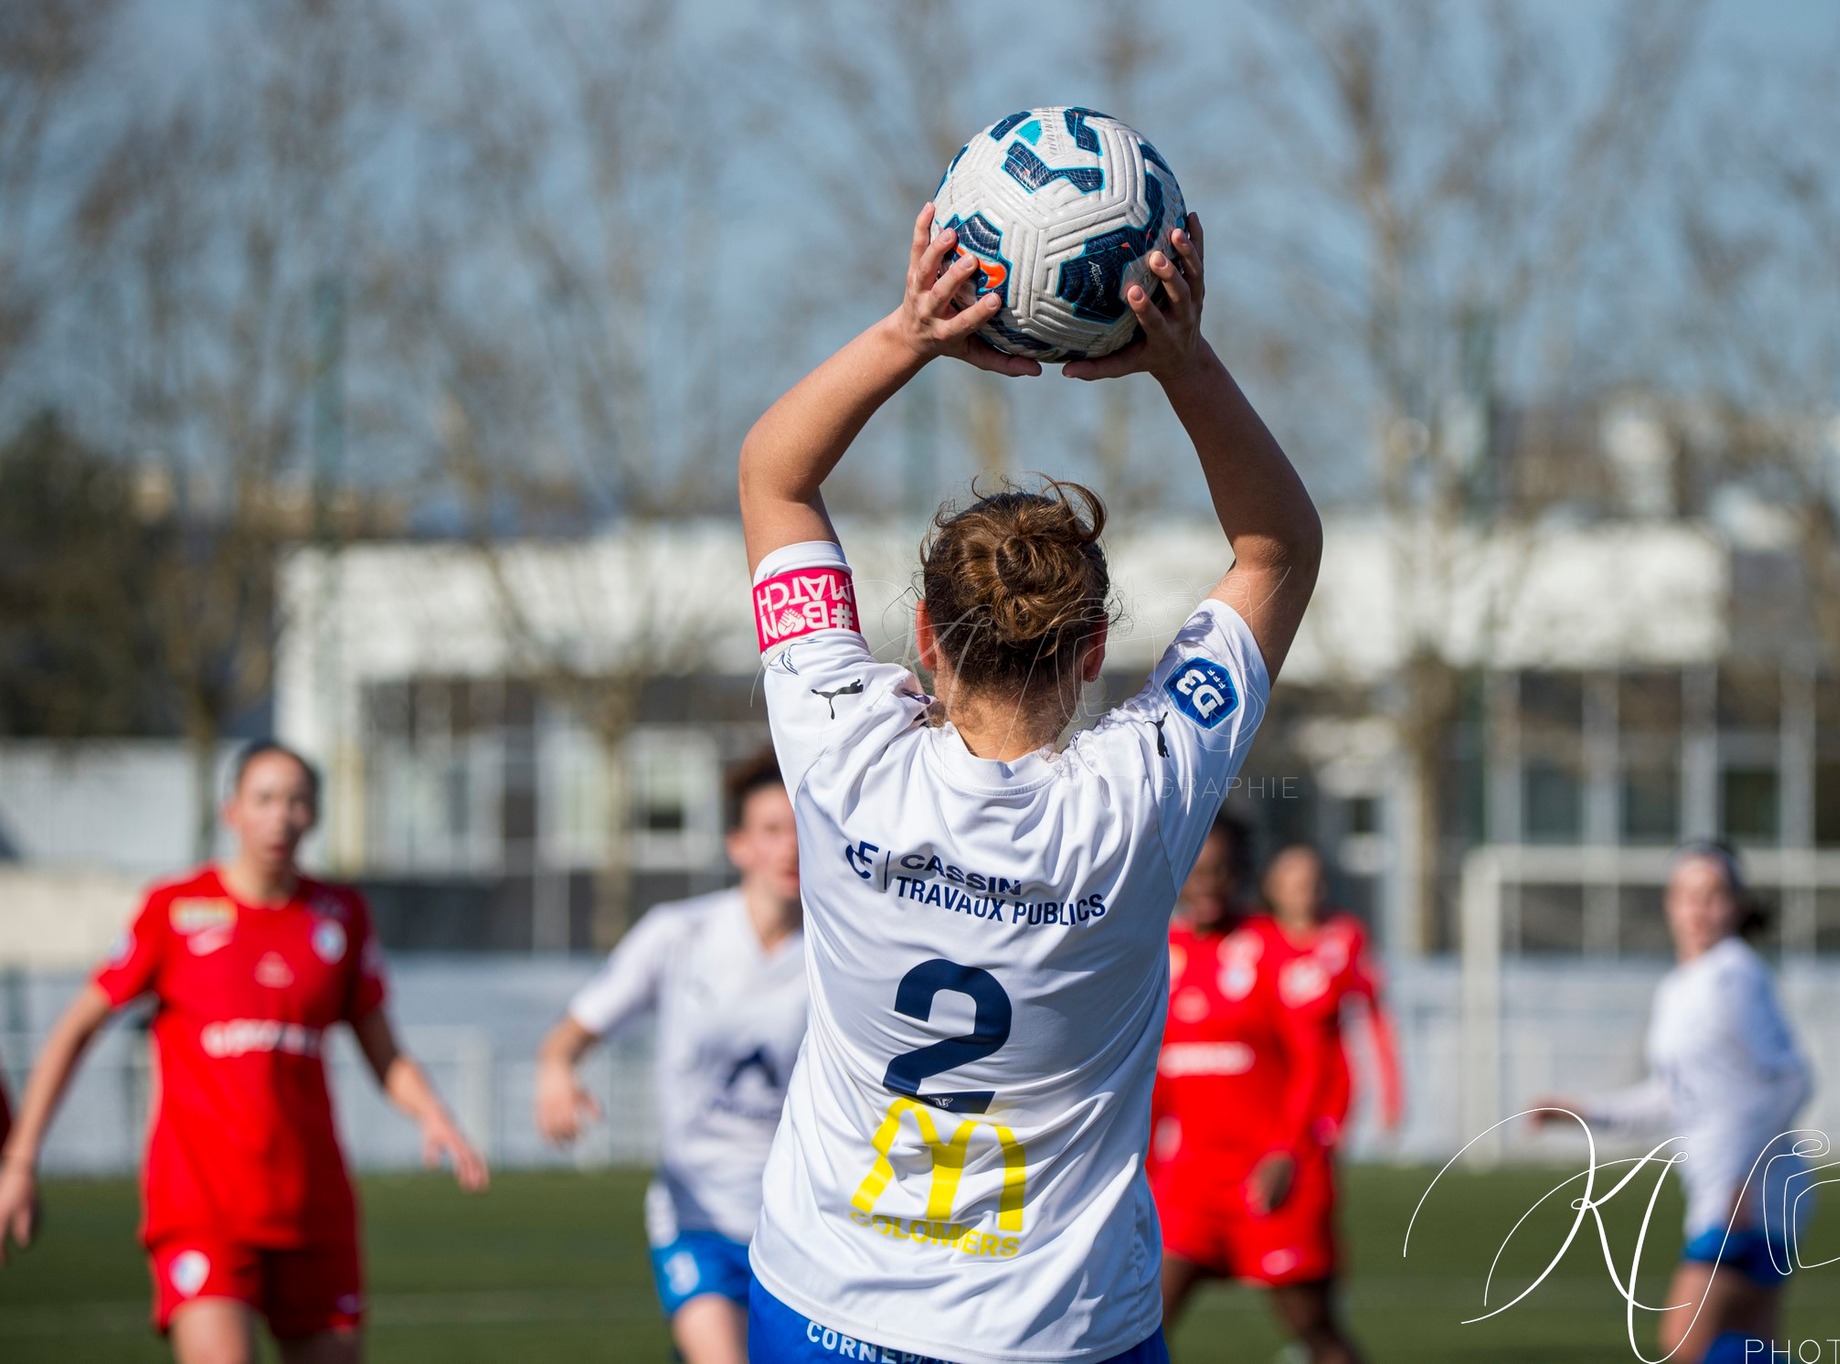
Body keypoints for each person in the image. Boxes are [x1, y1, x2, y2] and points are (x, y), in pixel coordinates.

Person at [736, 202, 1320, 1363]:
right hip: (1061, 1330)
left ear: (922, 634)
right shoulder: (1140, 793)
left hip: (823, 1308)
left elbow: (775, 478)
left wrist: (911, 330)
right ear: (1096, 648)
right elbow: (1276, 550)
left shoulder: (838, 745)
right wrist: (1181, 360)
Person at [0, 741, 488, 1364]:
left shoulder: (339, 917)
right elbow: (74, 1029)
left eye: (297, 801)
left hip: (315, 1210)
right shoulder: (172, 911)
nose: (280, 816)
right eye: (264, 799)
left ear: (314, 815)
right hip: (201, 1210)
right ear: (232, 811)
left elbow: (385, 1053)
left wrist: (432, 1112)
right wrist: (19, 1160)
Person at [532, 749, 805, 1364]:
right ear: (738, 845)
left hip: (800, 1225)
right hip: (696, 1215)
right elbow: (574, 1031)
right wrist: (556, 1071)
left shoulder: (838, 949)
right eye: (770, 831)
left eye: (799, 828)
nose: (789, 847)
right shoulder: (677, 934)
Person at [1530, 840, 1813, 1364]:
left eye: (1713, 895)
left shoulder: (1735, 976)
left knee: (1684, 1344)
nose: (1698, 909)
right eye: (1686, 895)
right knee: (1747, 1347)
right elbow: (1674, 1095)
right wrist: (1585, 1111)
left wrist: (1742, 1180)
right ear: (1668, 904)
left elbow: (1791, 1081)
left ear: (1738, 905)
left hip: (1750, 1196)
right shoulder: (1681, 987)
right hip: (1734, 1190)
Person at [1150, 821, 1367, 1364]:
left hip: (1269, 1181)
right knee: (1138, 1327)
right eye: (1196, 871)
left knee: (1317, 1333)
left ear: (1243, 875)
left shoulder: (1276, 953)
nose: (1207, 884)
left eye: (1220, 871)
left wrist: (1290, 1152)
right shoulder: (1157, 956)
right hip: (1189, 1186)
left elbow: (1317, 1066)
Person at [1260, 843, 1403, 1149]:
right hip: (1267, 1083)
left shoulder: (1344, 937)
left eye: (1313, 884)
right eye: (1296, 886)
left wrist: (1390, 1094)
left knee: (1311, 1176)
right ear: (1273, 888)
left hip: (1327, 1087)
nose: (1306, 894)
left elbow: (1375, 1018)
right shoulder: (1253, 942)